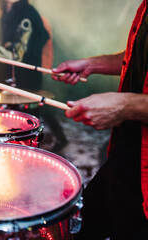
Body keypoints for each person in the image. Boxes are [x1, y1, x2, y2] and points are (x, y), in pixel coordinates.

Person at [51, 1, 148, 239]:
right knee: (79, 227)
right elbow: (138, 56)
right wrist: (92, 64)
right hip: (129, 156)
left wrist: (125, 106)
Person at [0, 0, 68, 152]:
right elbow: (5, 49)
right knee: (7, 132)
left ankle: (58, 141)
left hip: (23, 87)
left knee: (22, 136)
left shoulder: (28, 15)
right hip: (6, 86)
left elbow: (16, 56)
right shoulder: (5, 14)